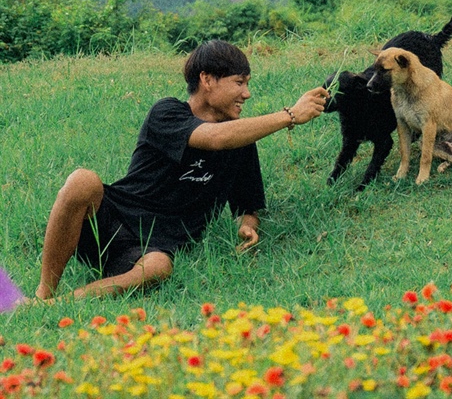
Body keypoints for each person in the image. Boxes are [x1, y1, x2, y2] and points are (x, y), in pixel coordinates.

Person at [34, 40, 329, 302]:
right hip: (113, 220)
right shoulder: (167, 112)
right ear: (207, 80)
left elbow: (247, 204)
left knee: (159, 267)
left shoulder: (241, 140)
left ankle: (64, 303)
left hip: (153, 247)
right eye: (239, 82)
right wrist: (290, 115)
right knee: (82, 180)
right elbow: (214, 138)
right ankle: (43, 294)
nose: (247, 93)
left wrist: (246, 225)